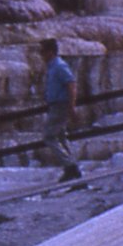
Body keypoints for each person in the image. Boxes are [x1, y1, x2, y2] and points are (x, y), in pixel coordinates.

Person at [35, 38, 83, 181]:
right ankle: (75, 172)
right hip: (55, 105)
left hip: (60, 105)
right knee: (61, 137)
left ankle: (70, 167)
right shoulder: (52, 67)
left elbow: (71, 85)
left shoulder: (59, 66)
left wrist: (71, 107)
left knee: (49, 136)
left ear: (50, 52)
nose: (40, 55)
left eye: (42, 51)